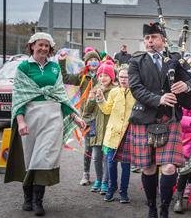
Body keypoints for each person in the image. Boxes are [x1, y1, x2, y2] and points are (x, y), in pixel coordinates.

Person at [114, 22, 191, 218]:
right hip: (144, 119)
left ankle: (164, 209)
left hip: (169, 118)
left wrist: (186, 86)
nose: (149, 41)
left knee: (170, 167)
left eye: (153, 37)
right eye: (147, 38)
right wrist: (159, 99)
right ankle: (152, 208)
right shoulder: (136, 61)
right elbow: (136, 89)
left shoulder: (174, 59)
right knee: (148, 167)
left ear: (163, 40)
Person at [5, 32, 86, 216]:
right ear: (32, 45)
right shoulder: (24, 67)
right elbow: (19, 95)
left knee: (44, 157)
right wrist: (21, 120)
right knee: (29, 157)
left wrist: (75, 116)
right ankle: (27, 198)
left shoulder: (55, 68)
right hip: (30, 117)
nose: (43, 48)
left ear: (50, 49)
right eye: (40, 45)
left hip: (52, 117)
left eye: (46, 46)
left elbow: (61, 96)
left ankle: (38, 200)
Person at [58, 49, 101, 186]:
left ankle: (103, 178)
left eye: (96, 59)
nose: (93, 62)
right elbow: (65, 78)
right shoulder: (82, 76)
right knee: (88, 147)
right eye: (90, 60)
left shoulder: (103, 74)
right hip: (87, 117)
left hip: (102, 116)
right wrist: (62, 62)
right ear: (87, 63)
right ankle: (86, 174)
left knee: (101, 149)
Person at [93, 65, 135, 203]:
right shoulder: (113, 92)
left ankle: (124, 192)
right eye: (121, 76)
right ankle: (111, 188)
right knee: (111, 164)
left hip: (128, 135)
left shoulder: (136, 92)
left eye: (127, 77)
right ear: (117, 77)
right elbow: (106, 110)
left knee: (125, 166)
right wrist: (100, 99)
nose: (124, 79)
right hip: (112, 135)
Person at [84, 62, 116, 194]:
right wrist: (91, 100)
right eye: (100, 75)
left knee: (107, 158)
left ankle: (105, 181)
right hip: (96, 130)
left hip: (110, 130)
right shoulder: (93, 90)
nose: (103, 78)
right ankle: (98, 179)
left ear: (111, 77)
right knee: (96, 157)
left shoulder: (115, 91)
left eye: (106, 75)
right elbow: (86, 112)